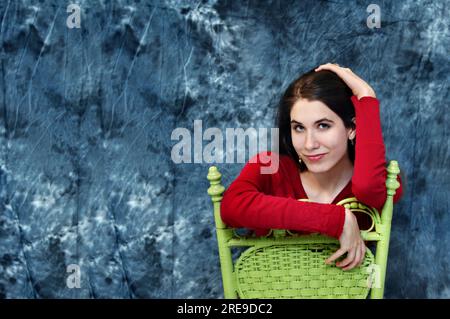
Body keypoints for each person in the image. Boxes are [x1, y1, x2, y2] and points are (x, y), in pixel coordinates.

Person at [220, 63, 404, 271]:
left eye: (323, 126)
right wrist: (336, 219)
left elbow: (368, 187)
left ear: (352, 128)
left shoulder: (383, 181)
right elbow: (230, 207)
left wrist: (366, 96)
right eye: (299, 128)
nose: (309, 144)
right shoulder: (270, 167)